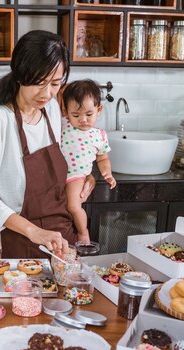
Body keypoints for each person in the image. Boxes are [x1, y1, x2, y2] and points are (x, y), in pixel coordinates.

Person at [0, 30, 95, 259]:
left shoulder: (52, 110)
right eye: (39, 83)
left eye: (55, 84)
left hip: (62, 237)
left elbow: (66, 161)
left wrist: (86, 176)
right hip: (20, 241)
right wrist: (34, 232)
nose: (47, 93)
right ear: (20, 75)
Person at [61, 79, 116, 243]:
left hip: (76, 176)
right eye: (76, 115)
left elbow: (103, 157)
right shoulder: (63, 128)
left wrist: (107, 173)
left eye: (89, 114)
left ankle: (83, 232)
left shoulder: (99, 135)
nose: (83, 119)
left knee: (73, 206)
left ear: (99, 110)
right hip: (58, 176)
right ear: (66, 112)